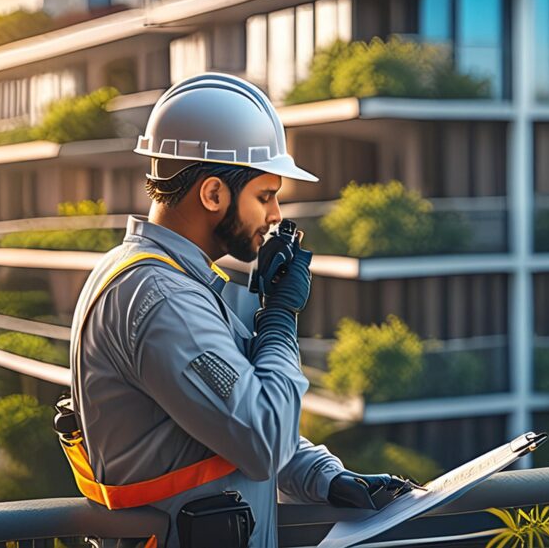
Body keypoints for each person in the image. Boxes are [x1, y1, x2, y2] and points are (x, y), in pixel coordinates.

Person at [63, 73, 409, 548]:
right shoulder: (164, 300)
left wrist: (325, 478)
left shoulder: (164, 280)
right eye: (265, 196)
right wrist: (280, 317)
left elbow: (225, 423)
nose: (275, 216)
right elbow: (261, 439)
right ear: (212, 194)